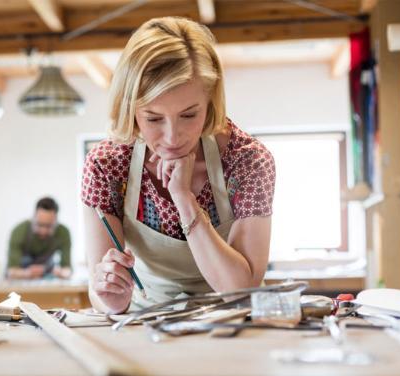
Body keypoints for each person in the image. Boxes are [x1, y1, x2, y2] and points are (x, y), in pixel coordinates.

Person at [81, 17, 276, 314]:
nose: (173, 137)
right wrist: (110, 296)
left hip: (232, 322)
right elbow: (98, 288)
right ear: (130, 108)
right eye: (154, 118)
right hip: (146, 320)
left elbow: (242, 292)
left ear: (210, 101)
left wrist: (185, 199)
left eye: (188, 115)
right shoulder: (107, 165)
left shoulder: (247, 160)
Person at [6, 197, 72, 279]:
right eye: (39, 225)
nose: (43, 231)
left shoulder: (63, 233)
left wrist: (61, 273)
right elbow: (11, 271)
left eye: (49, 226)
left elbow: (67, 270)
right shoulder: (19, 232)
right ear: (33, 218)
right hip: (20, 283)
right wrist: (27, 273)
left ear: (56, 222)